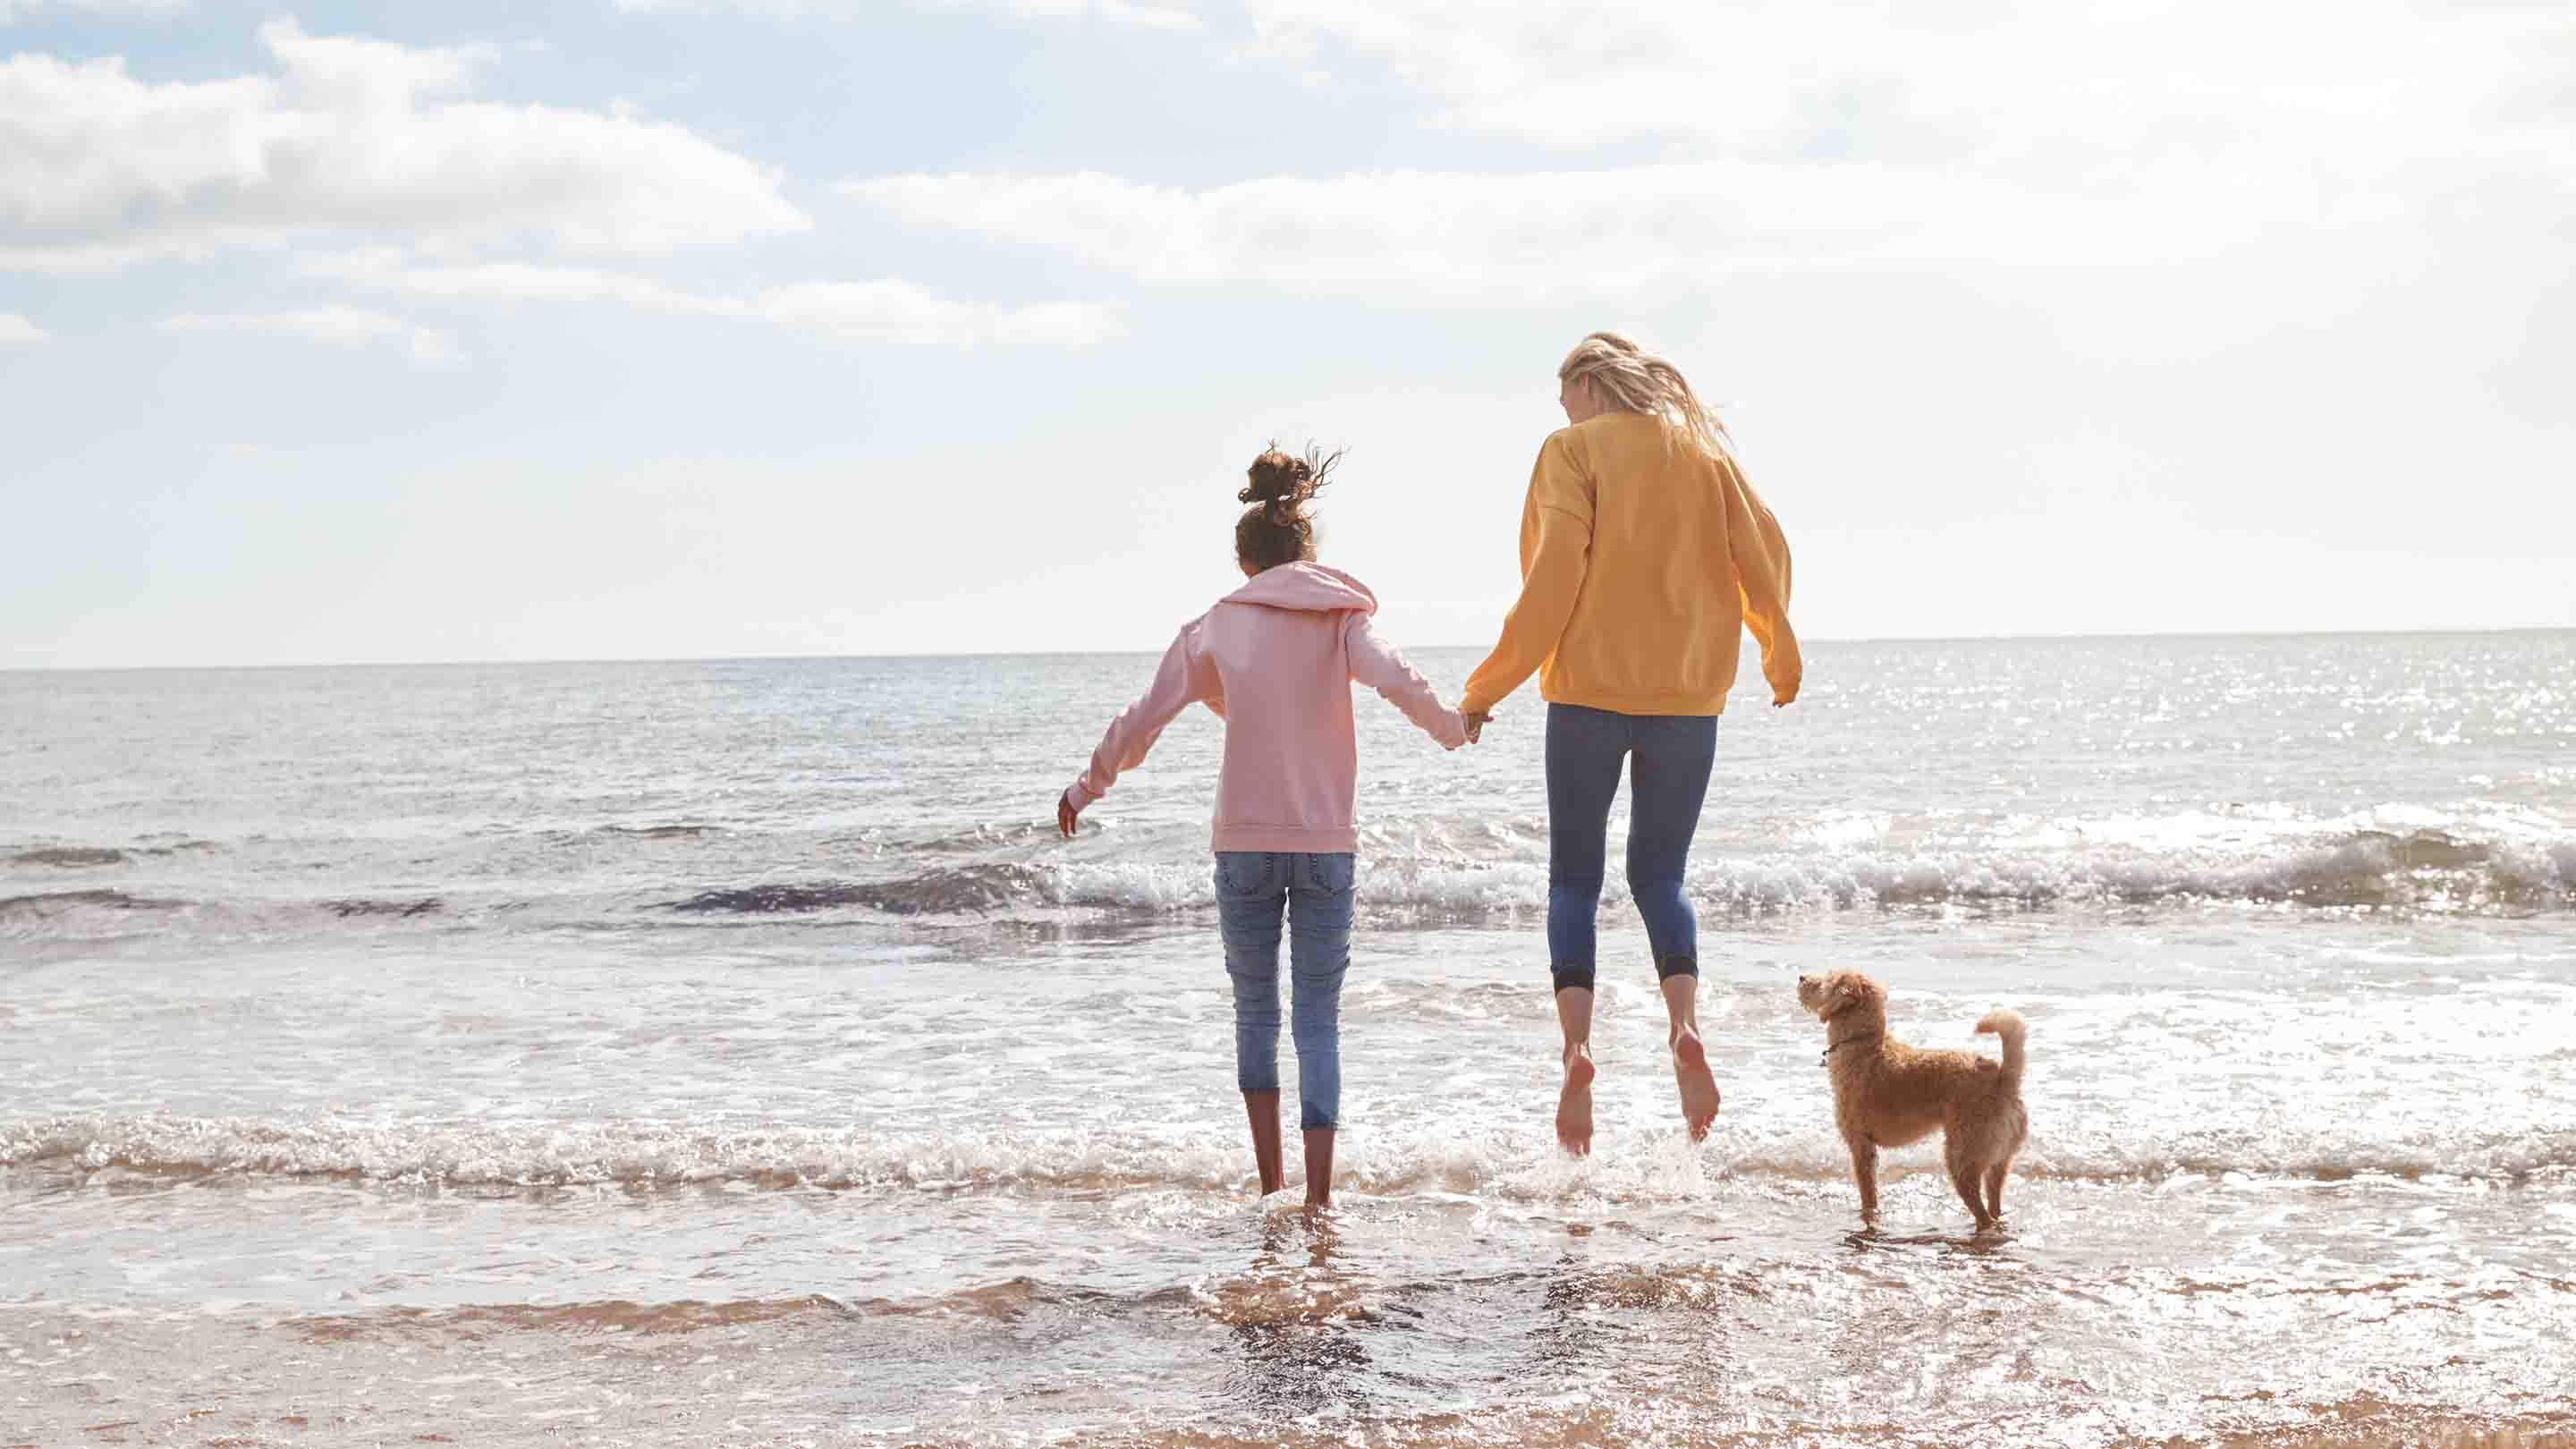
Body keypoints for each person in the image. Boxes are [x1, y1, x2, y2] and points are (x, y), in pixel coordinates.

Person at [1057, 445, 1469, 1209]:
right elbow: (1397, 679)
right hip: (1325, 847)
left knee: (1256, 1013)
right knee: (1317, 1020)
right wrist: (1453, 727)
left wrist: (1089, 786)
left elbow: (1142, 721)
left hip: (1243, 845)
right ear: (1306, 554)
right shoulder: (1341, 618)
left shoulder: (1217, 625)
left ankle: (1269, 1188)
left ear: (1246, 563)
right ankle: (1317, 1202)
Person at [1458, 332, 1801, 1158]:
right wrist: (1776, 650)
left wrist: (1487, 687)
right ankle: (1684, 1028)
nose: (1562, 408)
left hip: (1587, 694)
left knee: (1574, 881)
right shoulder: (1702, 456)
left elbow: (1552, 580)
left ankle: (1577, 1054)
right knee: (1662, 876)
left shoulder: (1571, 451)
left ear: (1587, 383)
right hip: (1689, 696)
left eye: (1564, 391)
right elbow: (1767, 554)